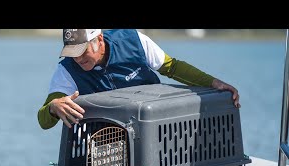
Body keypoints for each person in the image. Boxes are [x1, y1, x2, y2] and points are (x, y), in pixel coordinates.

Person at [37, 29, 241, 130]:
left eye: (83, 51)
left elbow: (173, 67)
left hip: (155, 127)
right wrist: (54, 106)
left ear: (99, 40)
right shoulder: (66, 70)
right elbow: (43, 120)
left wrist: (213, 83)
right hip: (107, 143)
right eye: (72, 52)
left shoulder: (134, 40)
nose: (78, 58)